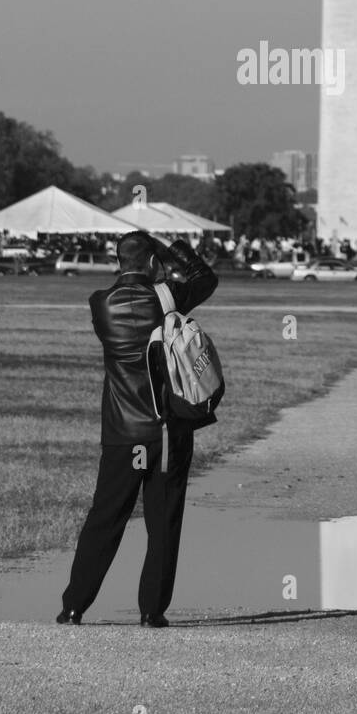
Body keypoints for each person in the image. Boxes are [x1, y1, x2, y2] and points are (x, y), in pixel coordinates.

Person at [57, 230, 218, 628]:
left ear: (118, 261)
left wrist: (152, 258)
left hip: (121, 433)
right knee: (162, 524)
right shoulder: (166, 297)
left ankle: (74, 607)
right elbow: (206, 279)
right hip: (167, 429)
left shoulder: (99, 304)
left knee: (104, 519)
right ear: (151, 262)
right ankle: (151, 611)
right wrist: (171, 251)